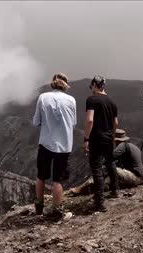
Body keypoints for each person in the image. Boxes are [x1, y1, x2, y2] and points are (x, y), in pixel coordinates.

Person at [32, 73, 77, 218]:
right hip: (64, 145)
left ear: (53, 83)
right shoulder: (71, 100)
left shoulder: (43, 97)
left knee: (41, 176)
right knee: (57, 179)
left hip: (46, 142)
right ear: (65, 84)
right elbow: (73, 123)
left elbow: (36, 121)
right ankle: (57, 209)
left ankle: (39, 207)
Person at [83, 75, 119, 212]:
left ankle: (99, 202)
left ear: (94, 84)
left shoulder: (91, 100)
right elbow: (116, 123)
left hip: (96, 138)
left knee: (96, 168)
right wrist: (112, 135)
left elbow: (90, 120)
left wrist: (86, 139)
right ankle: (115, 191)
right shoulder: (112, 101)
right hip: (109, 137)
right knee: (111, 162)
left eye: (91, 86)